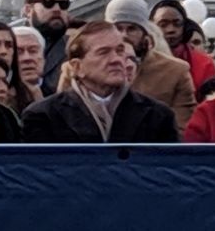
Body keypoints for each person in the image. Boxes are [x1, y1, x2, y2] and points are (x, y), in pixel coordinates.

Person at [20, 23, 179, 144]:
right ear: (77, 67)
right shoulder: (43, 116)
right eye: (103, 53)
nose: (116, 59)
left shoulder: (158, 115)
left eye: (120, 51)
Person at [105, 0, 197, 133]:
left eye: (132, 29)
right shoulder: (81, 70)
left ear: (145, 33)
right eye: (118, 28)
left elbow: (181, 131)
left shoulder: (176, 72)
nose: (123, 35)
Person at [150, 0, 215, 100]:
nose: (171, 29)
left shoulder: (204, 63)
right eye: (163, 24)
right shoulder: (139, 61)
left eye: (177, 24)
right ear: (151, 27)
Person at [20, 0, 72, 92]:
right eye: (48, 3)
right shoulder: (8, 46)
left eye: (63, 4)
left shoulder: (76, 47)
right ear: (28, 10)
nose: (57, 9)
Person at [10, 26, 47, 115]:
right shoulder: (0, 95)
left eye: (33, 51)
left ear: (43, 58)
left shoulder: (58, 92)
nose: (27, 58)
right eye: (19, 52)